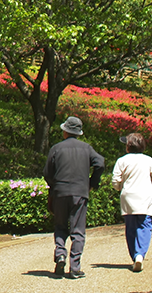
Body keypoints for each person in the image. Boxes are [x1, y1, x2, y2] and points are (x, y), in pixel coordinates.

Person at [43, 116, 105, 279]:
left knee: (60, 226)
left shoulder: (56, 148)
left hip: (60, 192)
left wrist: (55, 185)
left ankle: (60, 254)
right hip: (80, 192)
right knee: (78, 230)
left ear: (65, 131)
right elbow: (100, 163)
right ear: (78, 133)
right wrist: (92, 182)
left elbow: (47, 173)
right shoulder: (87, 149)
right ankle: (75, 268)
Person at [112, 132, 152, 272]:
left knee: (131, 227)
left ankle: (134, 256)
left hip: (128, 197)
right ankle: (140, 254)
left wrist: (120, 187)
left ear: (128, 146)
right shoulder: (148, 160)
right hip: (146, 196)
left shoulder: (121, 161)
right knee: (145, 225)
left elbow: (115, 181)